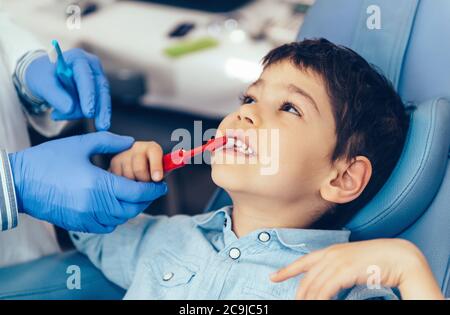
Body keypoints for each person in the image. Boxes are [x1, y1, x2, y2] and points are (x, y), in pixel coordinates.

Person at [68, 39, 438, 299]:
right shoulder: (167, 239)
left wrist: (407, 267)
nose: (245, 112)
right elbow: (85, 230)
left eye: (290, 107)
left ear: (342, 178)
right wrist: (115, 187)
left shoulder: (339, 282)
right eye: (249, 98)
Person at [0, 13, 167, 267]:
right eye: (247, 101)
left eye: (250, 99)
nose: (245, 116)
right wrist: (11, 185)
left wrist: (28, 72)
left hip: (34, 260)